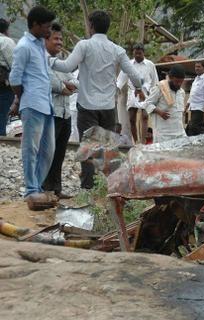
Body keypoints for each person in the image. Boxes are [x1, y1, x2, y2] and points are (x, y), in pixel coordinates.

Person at [49, 10, 144, 189]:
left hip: (87, 106)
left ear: (91, 26)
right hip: (108, 108)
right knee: (108, 151)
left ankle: (87, 190)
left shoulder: (84, 45)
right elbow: (136, 79)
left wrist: (48, 60)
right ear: (107, 28)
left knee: (88, 150)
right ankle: (111, 189)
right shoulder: (117, 50)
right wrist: (140, 85)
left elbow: (67, 66)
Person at [9, 6, 57, 210]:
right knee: (31, 149)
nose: (49, 30)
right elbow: (14, 79)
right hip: (32, 104)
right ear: (35, 25)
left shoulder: (39, 45)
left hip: (46, 105)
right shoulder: (23, 47)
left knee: (48, 151)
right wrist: (22, 98)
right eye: (46, 26)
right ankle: (31, 190)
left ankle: (36, 187)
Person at [41, 23, 79, 199]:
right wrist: (64, 86)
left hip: (65, 113)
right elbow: (50, 83)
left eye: (61, 39)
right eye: (55, 38)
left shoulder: (63, 62)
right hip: (51, 112)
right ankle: (43, 188)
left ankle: (56, 188)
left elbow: (75, 81)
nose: (59, 42)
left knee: (60, 152)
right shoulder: (41, 59)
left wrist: (66, 86)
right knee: (47, 152)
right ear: (46, 40)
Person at [116, 43, 158, 144]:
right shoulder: (128, 64)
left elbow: (155, 82)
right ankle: (135, 142)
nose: (138, 55)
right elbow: (121, 80)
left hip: (145, 93)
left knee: (144, 116)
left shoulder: (150, 65)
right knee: (131, 119)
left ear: (143, 53)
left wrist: (154, 95)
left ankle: (143, 142)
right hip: (132, 94)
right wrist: (116, 89)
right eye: (136, 53)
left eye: (139, 53)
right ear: (133, 53)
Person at [143, 65, 186, 143]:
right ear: (170, 77)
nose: (179, 84)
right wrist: (160, 112)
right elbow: (147, 104)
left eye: (181, 82)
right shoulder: (160, 88)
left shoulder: (181, 92)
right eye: (177, 81)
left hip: (180, 133)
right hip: (163, 135)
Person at [185, 61, 204, 135]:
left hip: (200, 108)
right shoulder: (196, 79)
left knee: (192, 127)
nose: (197, 68)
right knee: (193, 127)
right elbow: (192, 95)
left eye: (199, 67)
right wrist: (186, 107)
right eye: (196, 67)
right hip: (193, 107)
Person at [0, 18, 16, 136]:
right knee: (1, 118)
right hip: (3, 88)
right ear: (6, 29)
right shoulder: (6, 41)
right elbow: (15, 66)